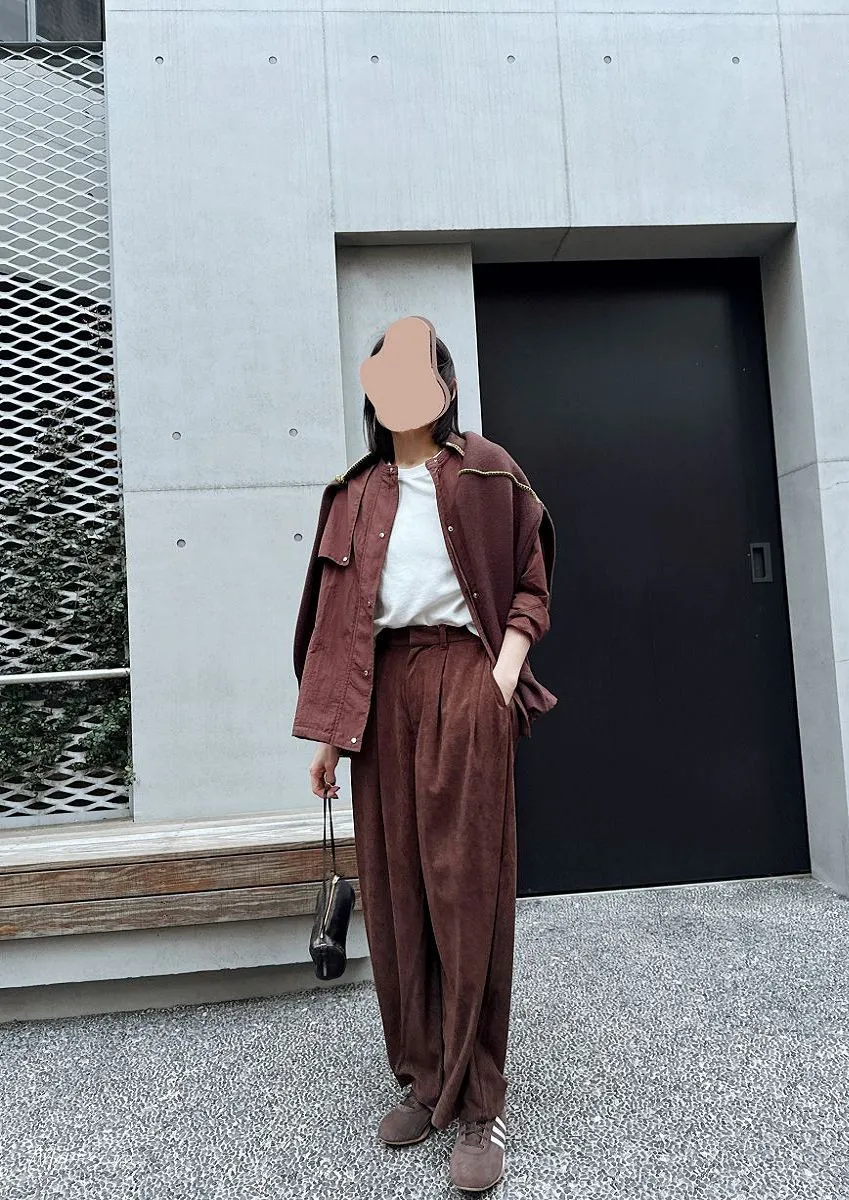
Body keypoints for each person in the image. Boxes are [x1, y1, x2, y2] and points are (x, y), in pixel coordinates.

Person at [292, 317, 557, 1193]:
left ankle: (480, 1103)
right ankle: (423, 1077)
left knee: (466, 890)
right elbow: (341, 627)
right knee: (397, 891)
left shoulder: (488, 471)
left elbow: (532, 580)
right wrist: (331, 737)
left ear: (445, 385)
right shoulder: (355, 493)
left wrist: (502, 674)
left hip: (464, 680)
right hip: (383, 694)